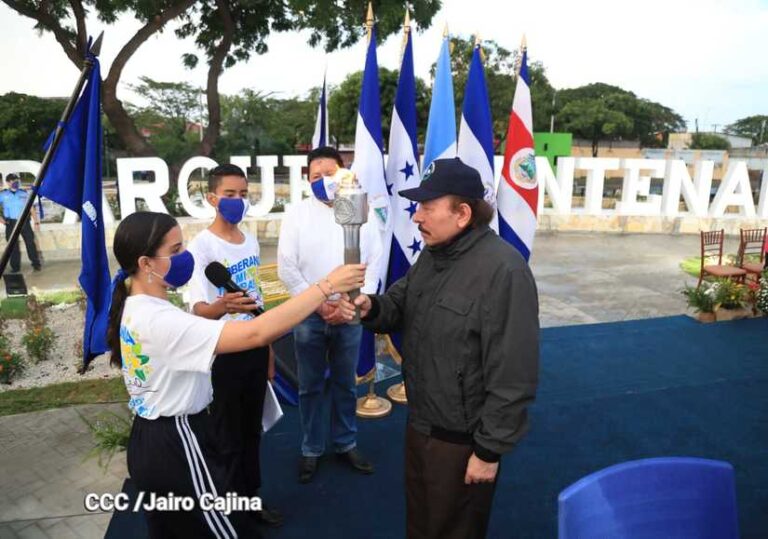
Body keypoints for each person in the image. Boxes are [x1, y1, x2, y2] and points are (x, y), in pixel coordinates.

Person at [107, 211, 365, 538]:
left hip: (157, 439)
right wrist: (325, 286)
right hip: (177, 441)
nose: (185, 257)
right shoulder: (158, 321)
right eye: (174, 252)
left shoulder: (142, 307)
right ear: (146, 264)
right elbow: (254, 334)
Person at [348, 158, 540, 539]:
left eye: (427, 207)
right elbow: (398, 305)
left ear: (462, 213)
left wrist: (488, 452)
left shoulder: (504, 270)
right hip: (421, 424)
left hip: (462, 440)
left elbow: (514, 373)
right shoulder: (432, 256)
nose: (416, 217)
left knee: (455, 530)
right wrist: (370, 306)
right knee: (421, 524)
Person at [277, 146, 382, 483]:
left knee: (344, 383)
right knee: (309, 386)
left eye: (329, 174)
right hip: (309, 313)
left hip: (350, 311)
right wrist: (317, 302)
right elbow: (286, 266)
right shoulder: (296, 213)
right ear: (307, 179)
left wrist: (351, 303)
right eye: (315, 176)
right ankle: (311, 448)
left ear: (343, 172)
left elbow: (374, 260)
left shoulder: (359, 209)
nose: (323, 181)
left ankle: (345, 442)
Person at [186, 164, 282, 528]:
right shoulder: (202, 247)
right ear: (212, 199)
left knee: (250, 429)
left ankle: (251, 497)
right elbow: (198, 309)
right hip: (224, 352)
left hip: (255, 346)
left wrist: (269, 345)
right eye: (230, 195)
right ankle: (229, 509)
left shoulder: (250, 240)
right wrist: (223, 306)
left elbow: (257, 300)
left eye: (243, 194)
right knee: (226, 434)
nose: (238, 201)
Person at [0, 174, 42, 273]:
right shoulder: (3, 195)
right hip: (11, 223)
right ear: (8, 182)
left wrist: (36, 222)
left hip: (24, 222)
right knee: (12, 246)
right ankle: (15, 267)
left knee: (30, 243)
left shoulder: (24, 193)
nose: (15, 182)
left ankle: (36, 264)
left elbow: (31, 208)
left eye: (16, 180)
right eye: (12, 181)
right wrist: (1, 219)